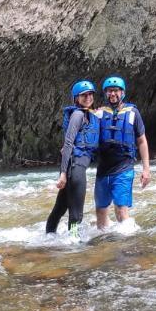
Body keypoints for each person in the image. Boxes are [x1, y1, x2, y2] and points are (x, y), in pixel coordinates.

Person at [46, 80, 101, 238]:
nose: (88, 97)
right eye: (84, 95)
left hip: (75, 167)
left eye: (90, 94)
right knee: (76, 215)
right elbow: (68, 143)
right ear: (76, 98)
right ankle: (74, 244)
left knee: (59, 209)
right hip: (75, 169)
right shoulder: (77, 115)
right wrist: (63, 173)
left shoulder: (89, 115)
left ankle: (48, 239)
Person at [94, 75, 150, 230]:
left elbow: (142, 141)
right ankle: (103, 246)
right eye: (109, 91)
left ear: (122, 92)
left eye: (116, 91)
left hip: (124, 168)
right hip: (103, 169)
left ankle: (126, 246)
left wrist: (146, 169)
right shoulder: (99, 114)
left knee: (121, 209)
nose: (113, 94)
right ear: (106, 93)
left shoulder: (133, 113)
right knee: (100, 210)